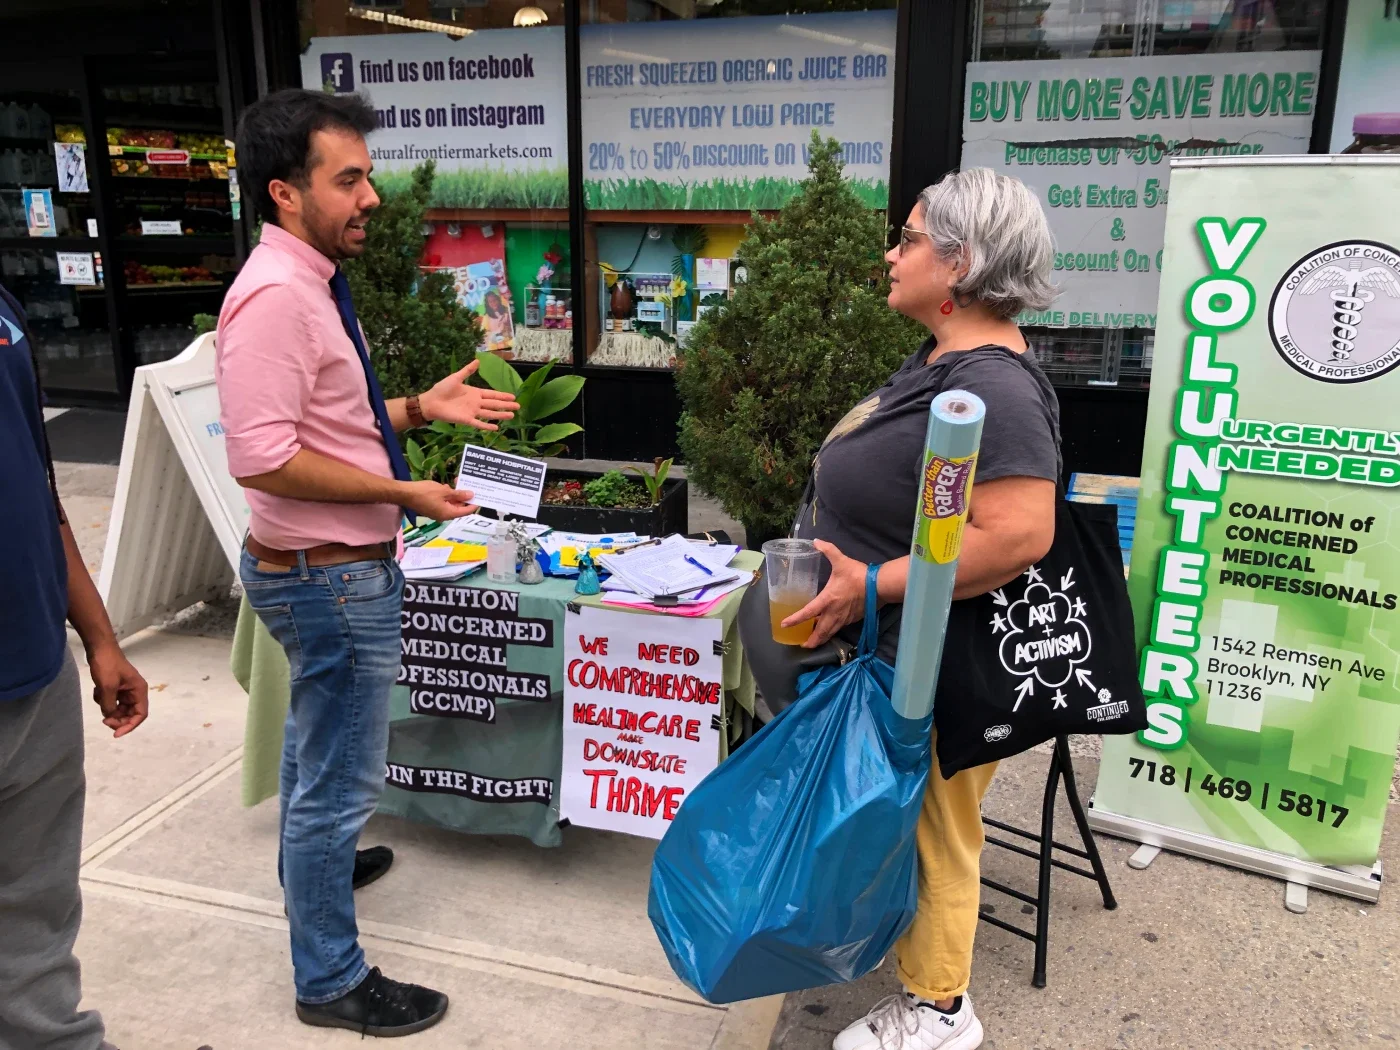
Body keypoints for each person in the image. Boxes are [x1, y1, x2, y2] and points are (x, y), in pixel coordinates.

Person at [217, 89, 519, 1037]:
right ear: (284, 193)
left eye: (368, 175)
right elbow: (259, 454)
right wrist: (403, 495)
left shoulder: (303, 283)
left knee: (316, 748)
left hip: (323, 570)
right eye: (348, 180)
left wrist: (419, 412)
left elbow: (328, 428)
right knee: (338, 784)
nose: (371, 197)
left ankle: (315, 868)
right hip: (329, 577)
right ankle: (330, 979)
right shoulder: (273, 297)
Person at [784, 169, 1061, 1050]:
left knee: (941, 828)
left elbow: (1015, 536)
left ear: (961, 263)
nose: (890, 253)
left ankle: (939, 1009)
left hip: (935, 656)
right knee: (913, 819)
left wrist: (868, 585)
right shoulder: (947, 362)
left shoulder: (999, 388)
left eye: (906, 239)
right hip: (896, 648)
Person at [0, 283, 210, 1050]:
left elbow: (40, 487)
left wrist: (98, 637)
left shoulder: (5, 309)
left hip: (35, 667)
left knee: (36, 909)